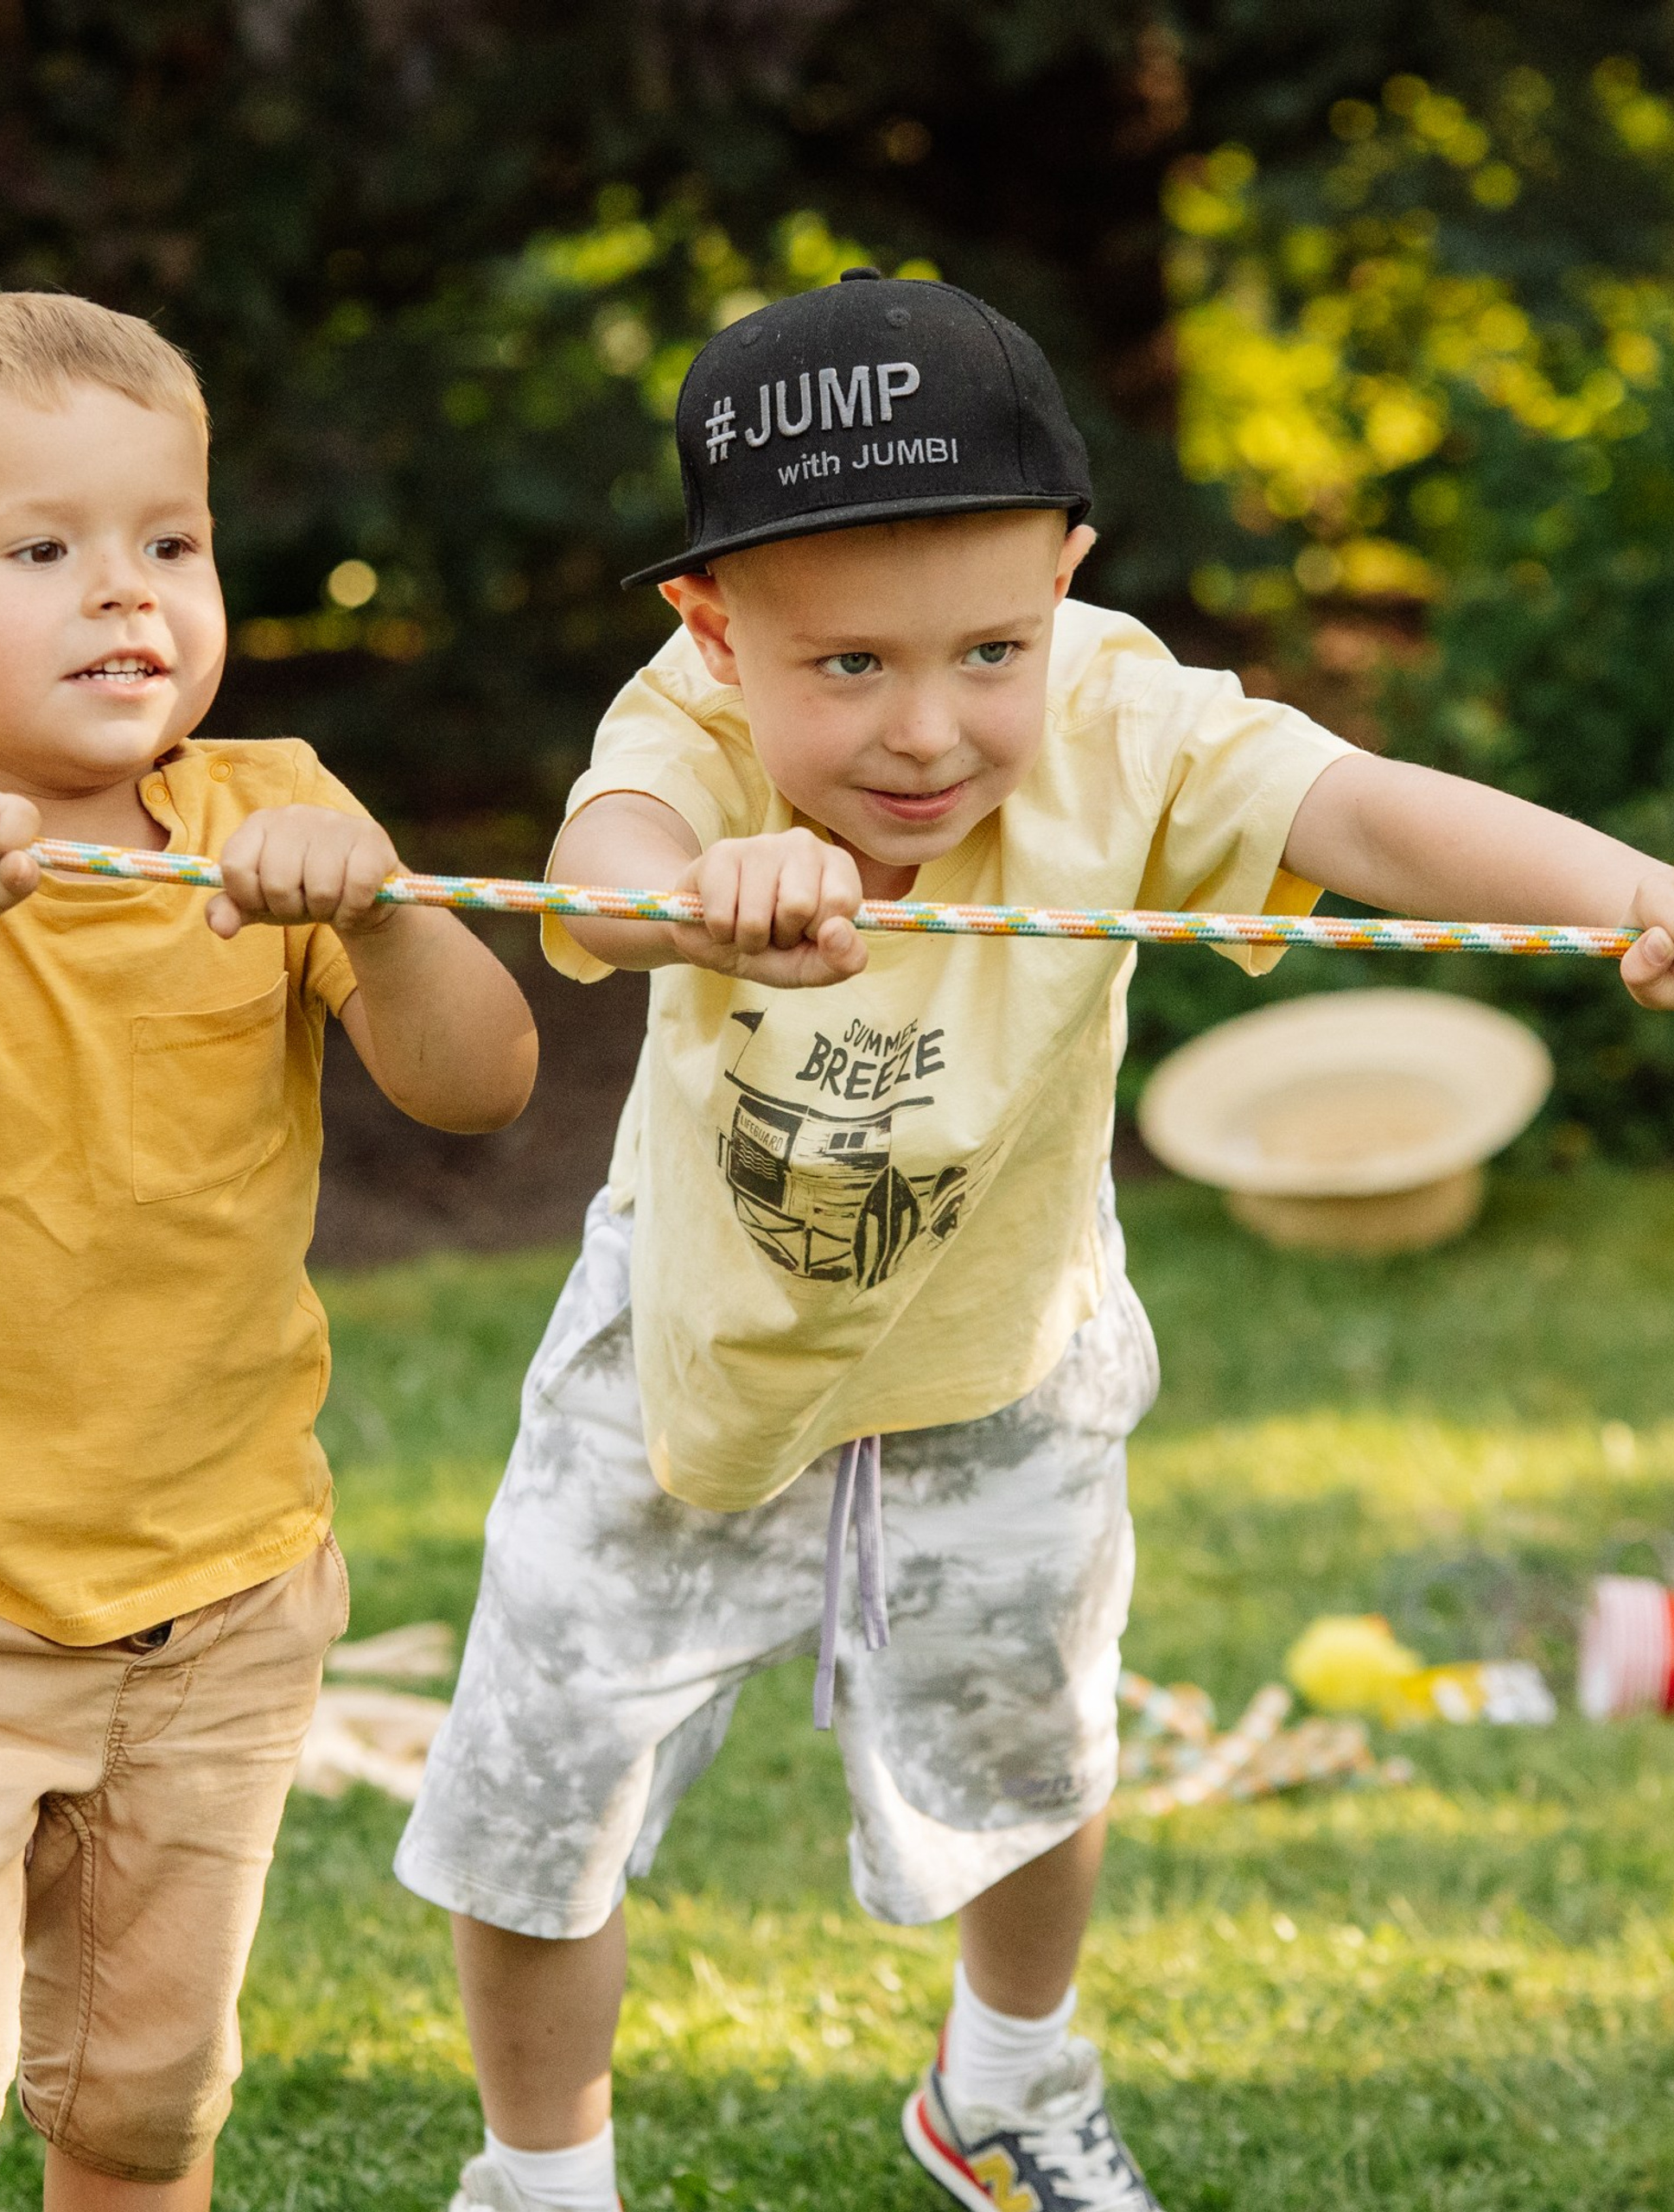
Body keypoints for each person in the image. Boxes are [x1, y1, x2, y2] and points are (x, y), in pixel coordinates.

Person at [394, 268, 1674, 2212]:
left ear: (1067, 575)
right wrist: (700, 889)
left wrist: (1630, 885)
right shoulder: (683, 721)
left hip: (1003, 1363)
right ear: (714, 626)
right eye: (845, 668)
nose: (927, 730)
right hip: (684, 1360)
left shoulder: (1122, 711)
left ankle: (1003, 2079)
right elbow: (602, 870)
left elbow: (1372, 814)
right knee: (532, 1789)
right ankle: (539, 2173)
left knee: (1033, 1756)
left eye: (989, 647)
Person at [0, 292, 538, 2212]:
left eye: (169, 541)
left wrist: (387, 919)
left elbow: (480, 1084)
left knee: (143, 2102)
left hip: (222, 1597)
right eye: (42, 548)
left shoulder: (276, 819)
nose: (124, 595)